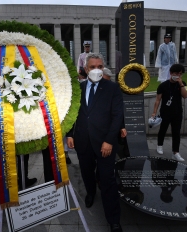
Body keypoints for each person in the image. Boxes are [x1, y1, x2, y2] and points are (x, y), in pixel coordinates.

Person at [67, 53, 123, 232]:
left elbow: (117, 117)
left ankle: (113, 220)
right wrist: (69, 134)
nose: (96, 70)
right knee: (86, 172)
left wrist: (109, 140)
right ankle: (90, 192)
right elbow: (71, 113)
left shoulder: (112, 88)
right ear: (85, 69)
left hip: (105, 143)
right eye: (92, 67)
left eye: (100, 67)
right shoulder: (77, 89)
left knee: (108, 180)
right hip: (83, 141)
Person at [151, 64, 187, 162]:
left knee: (176, 132)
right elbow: (157, 100)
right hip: (165, 112)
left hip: (177, 112)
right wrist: (154, 113)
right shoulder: (163, 85)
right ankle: (159, 145)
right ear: (171, 73)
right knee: (163, 130)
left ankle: (175, 152)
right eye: (176, 73)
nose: (178, 75)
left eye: (180, 74)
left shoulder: (182, 84)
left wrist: (181, 84)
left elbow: (185, 96)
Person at [103, 67, 129, 158]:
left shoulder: (113, 89)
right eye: (105, 80)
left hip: (112, 128)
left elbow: (118, 111)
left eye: (109, 81)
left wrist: (122, 126)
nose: (107, 83)